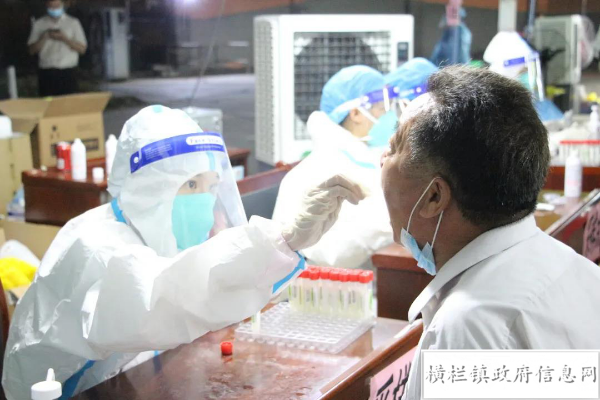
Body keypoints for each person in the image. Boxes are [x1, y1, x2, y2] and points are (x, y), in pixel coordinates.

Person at [2, 106, 366, 399]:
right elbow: (162, 297)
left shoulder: (150, 230)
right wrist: (282, 239)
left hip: (126, 379)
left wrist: (281, 246)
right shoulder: (94, 245)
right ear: (147, 188)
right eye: (190, 184)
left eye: (210, 185)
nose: (204, 200)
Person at [379, 66, 600, 399]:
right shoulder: (573, 266)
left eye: (394, 147)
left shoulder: (469, 328)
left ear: (434, 197)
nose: (382, 159)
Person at [273, 65, 397, 270]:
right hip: (333, 285)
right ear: (356, 113)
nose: (391, 116)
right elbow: (332, 254)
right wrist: (393, 224)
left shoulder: (363, 157)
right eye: (383, 109)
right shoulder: (318, 171)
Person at [28, 0, 87, 97]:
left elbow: (82, 49)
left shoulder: (73, 23)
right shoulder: (39, 24)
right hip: (47, 73)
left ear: (63, 5)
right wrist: (45, 37)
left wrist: (64, 39)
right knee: (48, 103)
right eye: (51, 6)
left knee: (68, 103)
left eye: (57, 6)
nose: (54, 9)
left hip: (68, 73)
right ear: (47, 6)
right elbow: (31, 50)